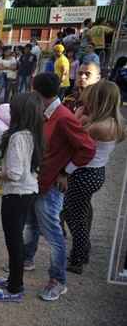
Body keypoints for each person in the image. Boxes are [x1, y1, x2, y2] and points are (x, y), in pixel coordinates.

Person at [23, 73, 95, 301]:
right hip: (38, 180)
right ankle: (27, 259)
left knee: (53, 234)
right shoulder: (46, 113)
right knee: (32, 224)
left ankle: (58, 280)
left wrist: (66, 171)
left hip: (51, 184)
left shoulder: (63, 117)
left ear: (36, 92)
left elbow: (87, 148)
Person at [0, 93, 44, 302]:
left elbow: (15, 172)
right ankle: (13, 278)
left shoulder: (18, 136)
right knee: (15, 239)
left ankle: (15, 288)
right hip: (27, 192)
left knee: (14, 240)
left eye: (13, 108)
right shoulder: (32, 133)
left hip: (17, 194)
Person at [63, 82, 125, 274]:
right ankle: (83, 250)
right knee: (82, 211)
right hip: (96, 173)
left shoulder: (97, 126)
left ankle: (78, 258)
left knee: (75, 218)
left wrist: (78, 115)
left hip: (84, 173)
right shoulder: (114, 123)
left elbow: (70, 136)